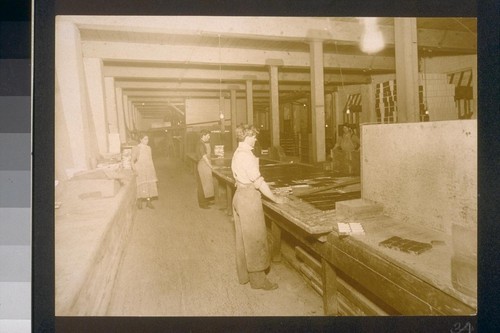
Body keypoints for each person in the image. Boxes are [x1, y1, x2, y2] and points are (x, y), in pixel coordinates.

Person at [231, 124, 287, 291]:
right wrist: (275, 198)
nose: (256, 139)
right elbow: (258, 182)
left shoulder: (238, 152)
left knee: (243, 239)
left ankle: (245, 275)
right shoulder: (247, 156)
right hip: (248, 198)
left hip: (239, 194)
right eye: (254, 136)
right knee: (255, 239)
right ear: (248, 137)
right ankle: (259, 281)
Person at [131, 133, 158, 209]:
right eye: (145, 139)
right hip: (140, 169)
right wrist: (135, 170)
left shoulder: (149, 148)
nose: (147, 141)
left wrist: (152, 170)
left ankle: (148, 202)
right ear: (141, 139)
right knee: (141, 185)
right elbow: (132, 161)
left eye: (148, 139)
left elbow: (150, 159)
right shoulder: (136, 148)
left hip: (149, 169)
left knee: (149, 185)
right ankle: (139, 202)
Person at [195, 129, 214, 209]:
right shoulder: (200, 144)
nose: (209, 137)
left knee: (206, 183)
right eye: (208, 135)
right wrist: (210, 166)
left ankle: (205, 200)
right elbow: (204, 157)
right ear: (204, 135)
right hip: (203, 165)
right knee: (202, 185)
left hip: (204, 165)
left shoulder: (202, 143)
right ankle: (202, 203)